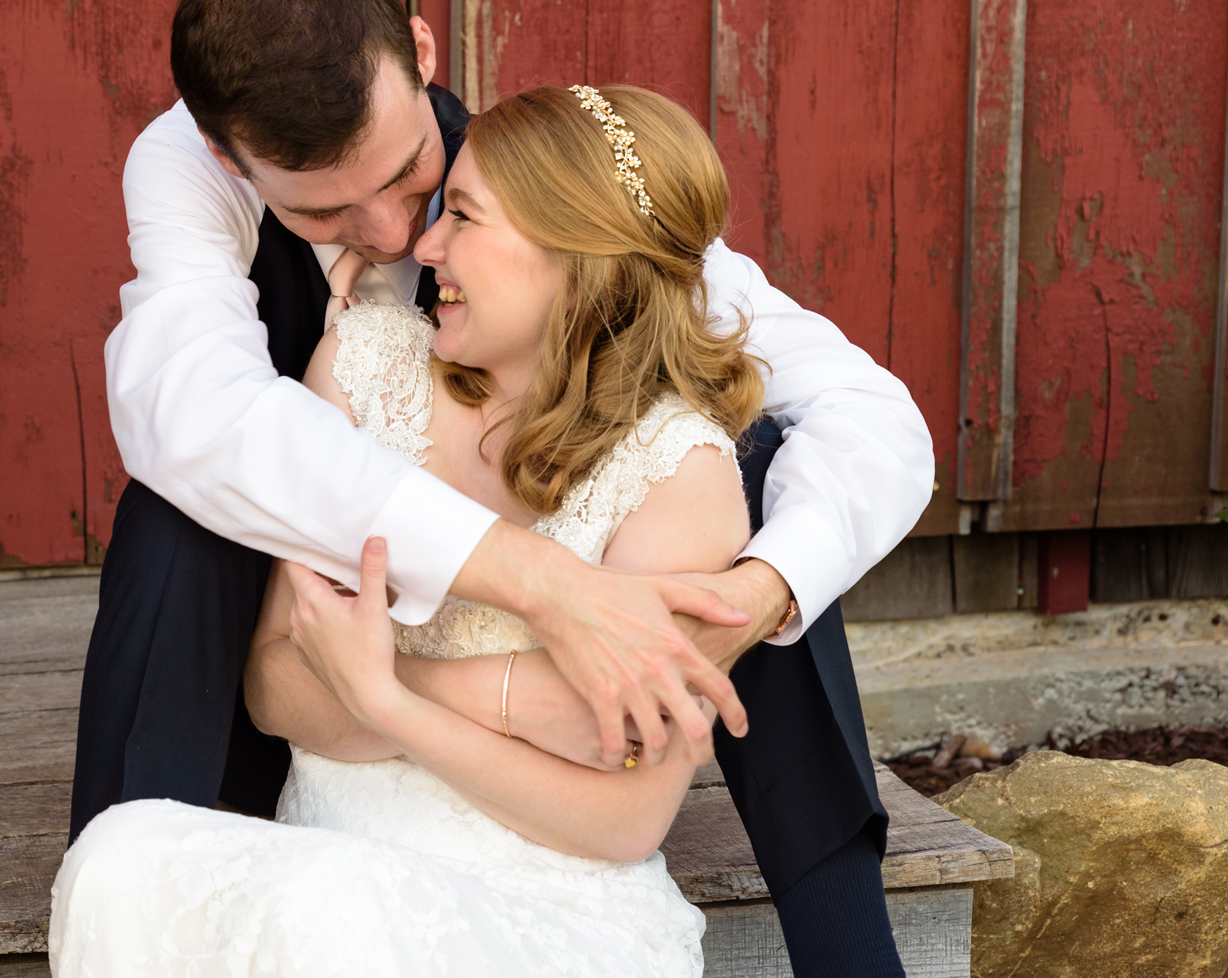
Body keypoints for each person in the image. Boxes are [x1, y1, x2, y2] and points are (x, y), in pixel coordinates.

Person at [71, 0, 928, 974]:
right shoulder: (189, 163)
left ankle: (842, 936)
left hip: (532, 756)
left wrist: (753, 599)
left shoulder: (566, 199)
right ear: (228, 159)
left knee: (750, 472)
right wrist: (538, 584)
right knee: (176, 512)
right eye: (323, 211)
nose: (392, 235)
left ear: (423, 56)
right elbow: (188, 409)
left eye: (408, 179)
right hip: (311, 629)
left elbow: (867, 416)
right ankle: (165, 865)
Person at [54, 82, 766, 974]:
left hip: (545, 907)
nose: (422, 246)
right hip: (322, 858)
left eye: (461, 215)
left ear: (573, 257)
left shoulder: (679, 471)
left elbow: (624, 817)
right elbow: (279, 682)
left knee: (335, 912)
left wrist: (383, 693)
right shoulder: (365, 363)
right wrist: (519, 697)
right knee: (118, 861)